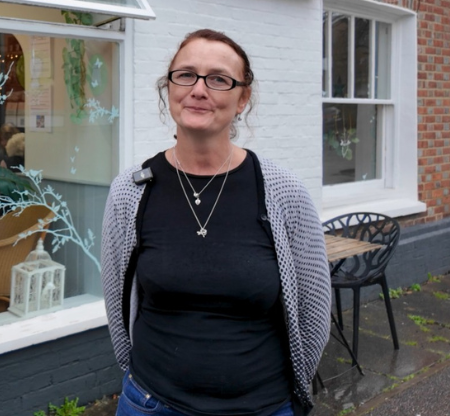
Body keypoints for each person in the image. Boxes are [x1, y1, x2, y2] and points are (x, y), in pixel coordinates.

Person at [101, 29, 331, 416]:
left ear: (242, 98)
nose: (198, 89)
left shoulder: (283, 191)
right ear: (169, 88)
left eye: (219, 79)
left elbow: (314, 309)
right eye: (186, 74)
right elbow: (116, 301)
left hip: (262, 407)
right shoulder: (131, 190)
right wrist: (135, 378)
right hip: (152, 404)